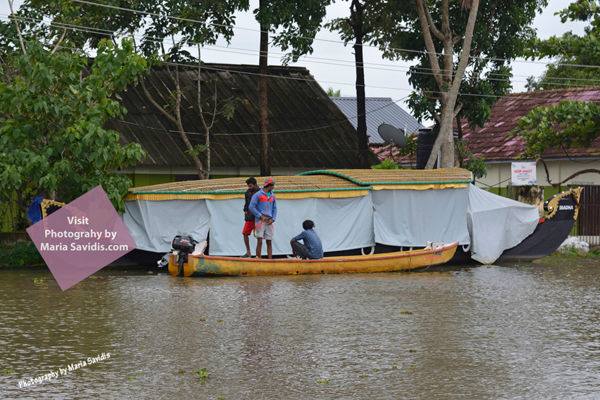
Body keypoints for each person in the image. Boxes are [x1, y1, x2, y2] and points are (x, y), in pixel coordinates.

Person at [249, 177, 277, 259]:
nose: (273, 187)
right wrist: (260, 215)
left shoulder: (273, 196)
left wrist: (273, 219)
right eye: (273, 185)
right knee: (260, 240)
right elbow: (251, 207)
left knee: (269, 241)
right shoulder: (258, 194)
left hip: (269, 221)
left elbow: (275, 208)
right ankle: (258, 259)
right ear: (269, 185)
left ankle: (270, 260)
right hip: (260, 221)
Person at [242, 177, 259, 257]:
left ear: (255, 185)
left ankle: (258, 254)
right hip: (249, 218)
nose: (249, 187)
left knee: (258, 236)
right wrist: (245, 210)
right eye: (248, 186)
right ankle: (248, 251)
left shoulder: (260, 192)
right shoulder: (247, 193)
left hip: (257, 219)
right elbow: (246, 204)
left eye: (251, 186)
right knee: (245, 233)